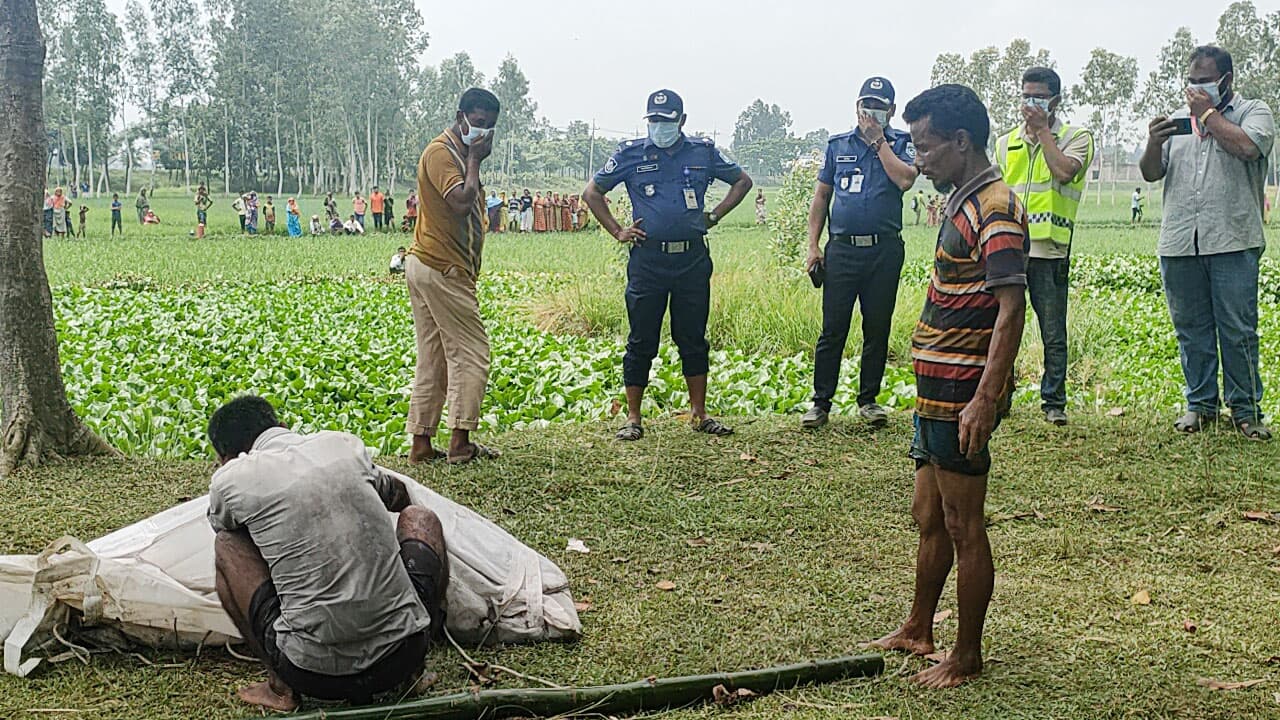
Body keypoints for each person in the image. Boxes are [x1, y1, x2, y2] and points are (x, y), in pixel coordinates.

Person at [870, 84, 1029, 689]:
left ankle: (966, 655)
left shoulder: (995, 206)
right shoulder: (963, 200)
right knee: (928, 514)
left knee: (965, 525)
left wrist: (986, 397)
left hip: (962, 393)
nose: (920, 159)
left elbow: (1012, 308)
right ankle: (918, 626)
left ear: (961, 142)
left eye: (926, 146)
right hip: (934, 390)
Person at [206, 396, 446, 712]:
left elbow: (223, 525)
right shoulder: (342, 444)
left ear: (225, 458)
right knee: (421, 518)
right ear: (282, 426)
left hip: (311, 673)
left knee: (227, 545)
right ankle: (416, 671)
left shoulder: (231, 478)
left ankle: (281, 688)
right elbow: (397, 495)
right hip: (403, 655)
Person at [583, 88, 754, 442]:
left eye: (666, 120)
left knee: (692, 337)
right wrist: (617, 230)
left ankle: (699, 413)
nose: (659, 126)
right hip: (648, 259)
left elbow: (742, 181)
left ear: (682, 121)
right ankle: (633, 417)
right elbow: (592, 192)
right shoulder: (630, 154)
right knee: (641, 338)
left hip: (692, 258)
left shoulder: (703, 153)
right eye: (654, 120)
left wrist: (716, 215)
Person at [1139, 45, 1275, 441]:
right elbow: (1151, 173)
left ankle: (1246, 411)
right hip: (1180, 241)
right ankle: (1200, 405)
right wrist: (1151, 142)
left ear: (1226, 81)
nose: (1195, 88)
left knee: (1238, 329)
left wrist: (1208, 116)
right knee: (1191, 329)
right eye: (1192, 80)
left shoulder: (1254, 112)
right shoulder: (1178, 122)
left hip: (1232, 239)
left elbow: (1249, 147)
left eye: (1204, 81)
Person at [802, 76, 919, 430]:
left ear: (891, 111)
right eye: (866, 105)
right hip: (842, 251)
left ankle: (868, 401)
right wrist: (813, 246)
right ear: (856, 106)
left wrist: (878, 142)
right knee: (832, 329)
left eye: (879, 107)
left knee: (877, 327)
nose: (871, 112)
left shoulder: (901, 143)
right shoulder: (838, 145)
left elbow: (905, 179)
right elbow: (821, 197)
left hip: (883, 251)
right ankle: (821, 403)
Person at [405, 87, 502, 465]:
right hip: (442, 268)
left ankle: (421, 444)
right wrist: (476, 159)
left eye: (489, 127)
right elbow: (461, 203)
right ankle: (460, 442)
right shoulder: (441, 154)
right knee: (471, 353)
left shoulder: (457, 153)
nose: (482, 132)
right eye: (478, 123)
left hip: (431, 265)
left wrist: (472, 156)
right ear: (461, 116)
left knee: (435, 357)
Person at [994, 67, 1094, 427]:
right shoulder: (1005, 143)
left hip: (1050, 253)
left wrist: (1043, 133)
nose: (1029, 104)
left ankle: (1053, 401)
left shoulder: (1076, 137)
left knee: (1052, 331)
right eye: (1025, 96)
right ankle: (999, 395)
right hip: (1010, 251)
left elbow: (1065, 171)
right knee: (1002, 327)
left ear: (1055, 101)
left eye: (1038, 97)